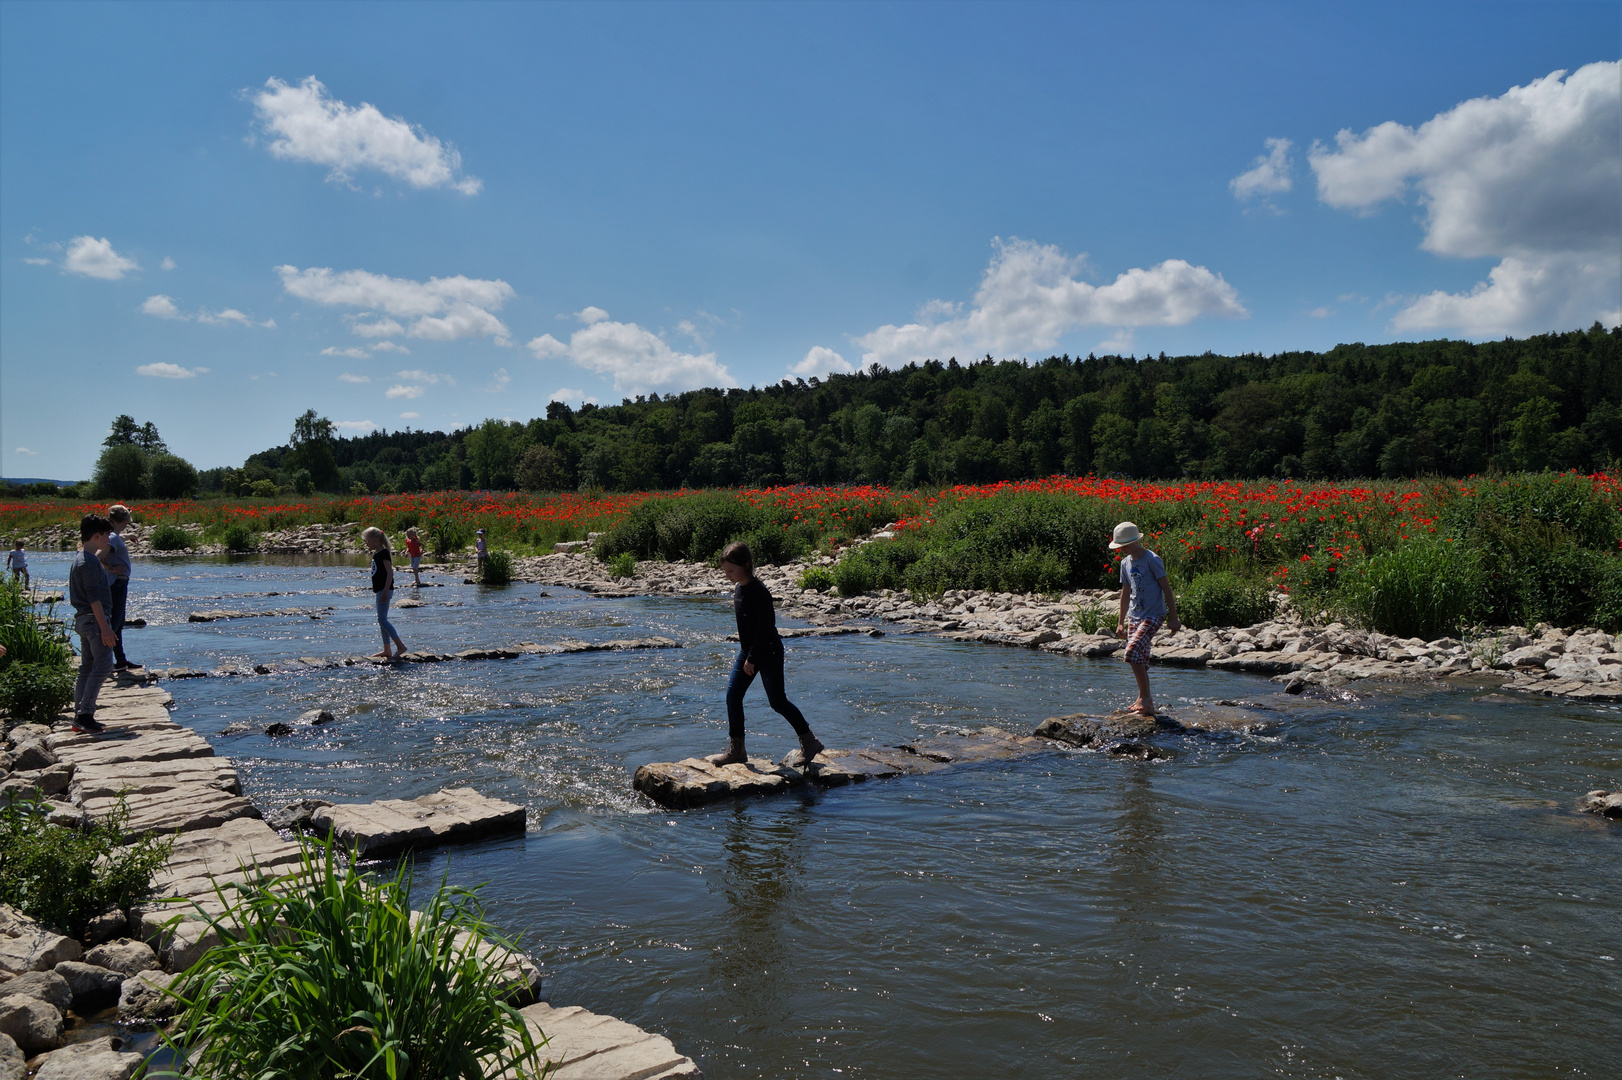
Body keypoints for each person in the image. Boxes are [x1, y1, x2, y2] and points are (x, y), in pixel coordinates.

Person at [708, 540, 825, 767]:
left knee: (778, 702)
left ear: (747, 565)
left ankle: (810, 742)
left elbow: (766, 628)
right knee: (733, 696)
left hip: (767, 650)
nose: (728, 575)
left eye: (731, 570)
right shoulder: (739, 588)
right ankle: (737, 750)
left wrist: (753, 658)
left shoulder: (759, 591)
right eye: (725, 571)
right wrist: (748, 654)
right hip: (748, 651)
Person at [1111, 521, 1180, 716]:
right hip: (1134, 615)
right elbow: (1125, 592)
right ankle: (1146, 701)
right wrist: (1120, 621)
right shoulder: (1125, 563)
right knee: (1139, 657)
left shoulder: (1152, 559)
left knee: (1131, 651)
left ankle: (1145, 698)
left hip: (1153, 614)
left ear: (1135, 541)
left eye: (1124, 545)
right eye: (1120, 546)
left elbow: (1167, 589)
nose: (1121, 549)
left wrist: (1173, 618)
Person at [68, 514, 119, 733]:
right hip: (94, 619)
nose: (109, 539)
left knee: (88, 666)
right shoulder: (88, 562)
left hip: (84, 619)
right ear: (96, 536)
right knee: (104, 665)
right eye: (107, 535)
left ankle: (80, 714)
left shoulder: (81, 558)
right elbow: (94, 598)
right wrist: (105, 627)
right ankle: (85, 714)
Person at [101, 505, 138, 670]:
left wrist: (128, 536)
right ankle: (104, 659)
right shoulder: (113, 537)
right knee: (115, 622)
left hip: (116, 582)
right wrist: (111, 568)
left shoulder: (112, 535)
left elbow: (115, 541)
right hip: (118, 582)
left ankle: (120, 660)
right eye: (126, 524)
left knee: (118, 622)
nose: (127, 526)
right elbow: (99, 555)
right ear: (123, 521)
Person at [363, 526, 408, 659]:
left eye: (367, 541)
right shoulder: (377, 553)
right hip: (381, 589)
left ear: (376, 540)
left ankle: (400, 646)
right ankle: (387, 649)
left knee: (382, 620)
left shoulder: (383, 553)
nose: (366, 544)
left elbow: (390, 573)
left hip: (385, 590)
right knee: (382, 620)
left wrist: (385, 590)